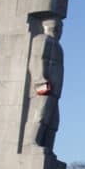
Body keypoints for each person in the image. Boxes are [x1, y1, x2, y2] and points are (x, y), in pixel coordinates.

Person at [23, 18, 63, 151]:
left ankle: (47, 146)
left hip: (55, 91)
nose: (59, 30)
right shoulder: (41, 40)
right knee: (40, 115)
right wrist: (40, 81)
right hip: (43, 87)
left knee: (53, 122)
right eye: (57, 26)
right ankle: (31, 142)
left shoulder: (58, 46)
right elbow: (36, 60)